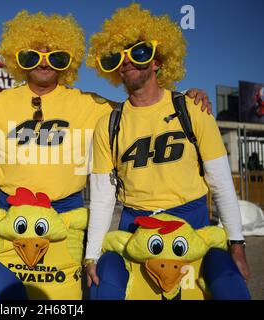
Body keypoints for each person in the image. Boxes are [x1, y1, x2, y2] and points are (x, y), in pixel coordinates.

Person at [0, 11, 212, 300]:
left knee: (63, 299)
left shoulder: (90, 105)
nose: (44, 62)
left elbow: (144, 108)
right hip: (9, 216)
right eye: (31, 56)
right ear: (18, 60)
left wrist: (185, 97)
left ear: (68, 60)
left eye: (56, 56)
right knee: (7, 298)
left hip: (66, 218)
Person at [84, 3, 251, 300]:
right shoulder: (108, 124)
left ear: (158, 61)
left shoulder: (192, 109)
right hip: (135, 226)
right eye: (116, 57)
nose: (128, 62)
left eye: (139, 52)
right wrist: (91, 256)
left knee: (231, 287)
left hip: (193, 225)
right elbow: (101, 196)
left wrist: (237, 245)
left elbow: (221, 182)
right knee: (102, 288)